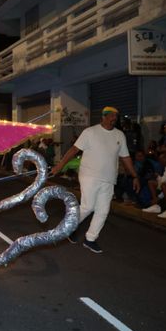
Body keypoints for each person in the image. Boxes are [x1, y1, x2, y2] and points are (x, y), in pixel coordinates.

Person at [51, 106, 140, 253]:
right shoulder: (90, 132)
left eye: (115, 117)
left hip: (109, 179)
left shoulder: (119, 135)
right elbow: (74, 150)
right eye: (111, 116)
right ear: (103, 117)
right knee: (88, 206)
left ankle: (90, 239)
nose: (114, 119)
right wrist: (60, 165)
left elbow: (125, 157)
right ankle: (67, 228)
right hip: (89, 175)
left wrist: (135, 176)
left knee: (103, 210)